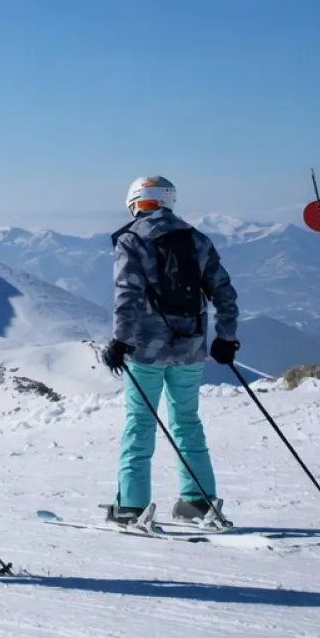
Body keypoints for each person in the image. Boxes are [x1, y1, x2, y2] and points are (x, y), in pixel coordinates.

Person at [101, 176, 240, 530]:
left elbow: (127, 296)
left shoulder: (132, 239)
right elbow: (224, 293)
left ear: (135, 202)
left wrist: (119, 341)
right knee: (187, 422)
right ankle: (197, 501)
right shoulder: (197, 239)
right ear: (168, 201)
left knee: (140, 425)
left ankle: (132, 506)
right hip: (191, 348)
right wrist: (225, 338)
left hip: (145, 351)